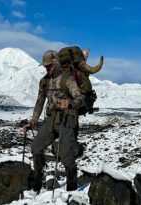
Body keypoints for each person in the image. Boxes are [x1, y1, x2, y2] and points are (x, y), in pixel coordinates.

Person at [22, 50, 85, 193]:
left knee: (66, 157)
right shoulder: (44, 81)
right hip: (51, 121)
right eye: (45, 67)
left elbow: (80, 99)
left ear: (56, 63)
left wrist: (69, 104)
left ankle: (71, 191)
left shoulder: (67, 79)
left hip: (68, 120)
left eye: (49, 66)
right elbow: (39, 102)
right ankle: (38, 186)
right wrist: (32, 122)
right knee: (36, 147)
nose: (47, 69)